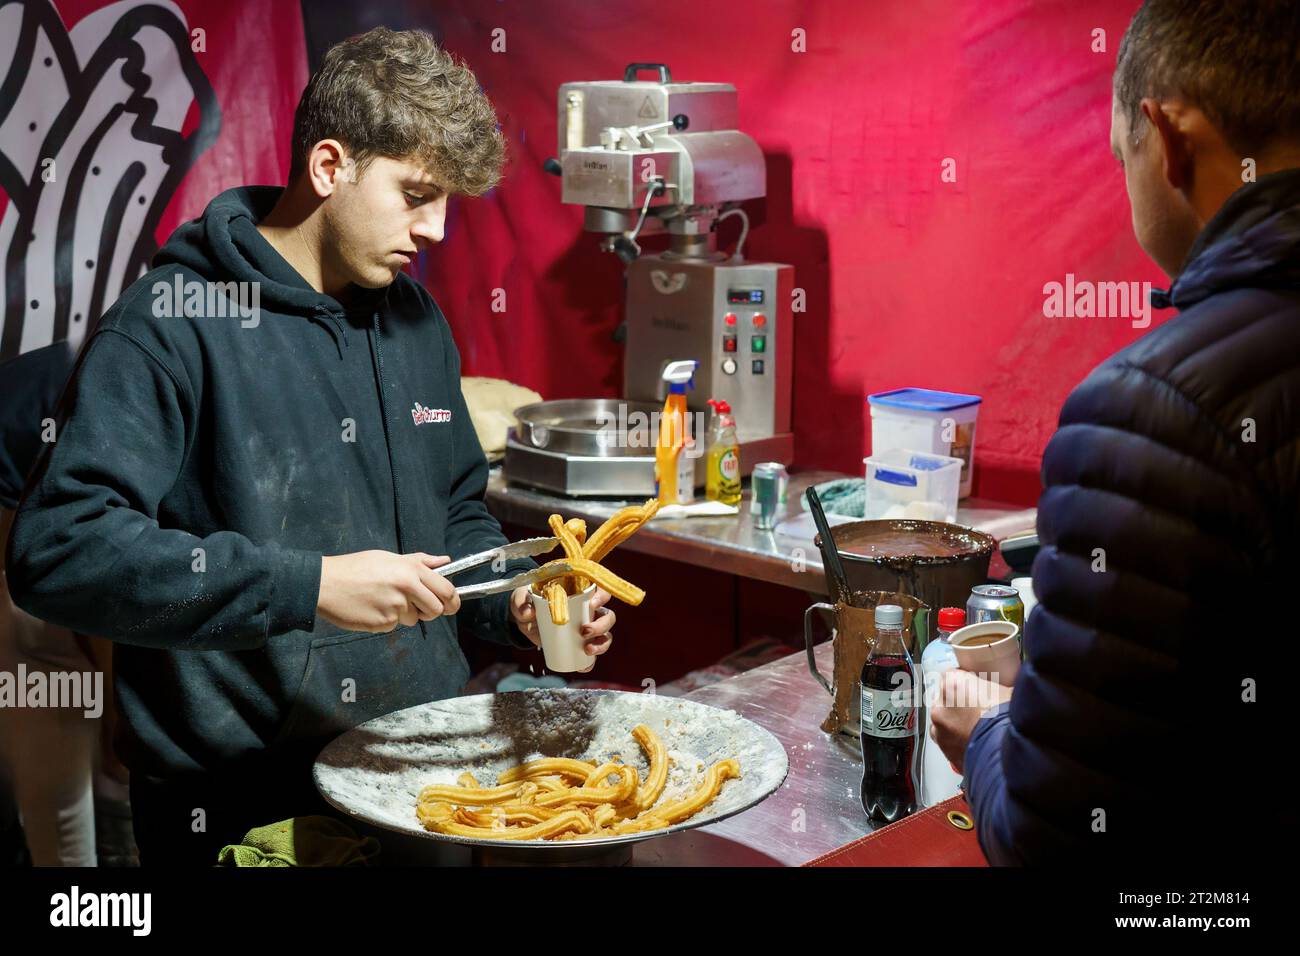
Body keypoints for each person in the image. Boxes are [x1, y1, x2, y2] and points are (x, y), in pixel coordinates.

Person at [5, 27, 616, 866]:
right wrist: (310, 586)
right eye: (415, 194)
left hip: (421, 775)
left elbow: (456, 516)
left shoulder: (413, 320)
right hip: (243, 804)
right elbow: (59, 553)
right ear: (329, 167)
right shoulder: (172, 325)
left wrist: (514, 601)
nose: (436, 229)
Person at [930, 0, 1298, 864]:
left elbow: (1057, 835)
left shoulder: (1150, 411)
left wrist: (984, 731)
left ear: (1166, 140)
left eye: (1120, 157)